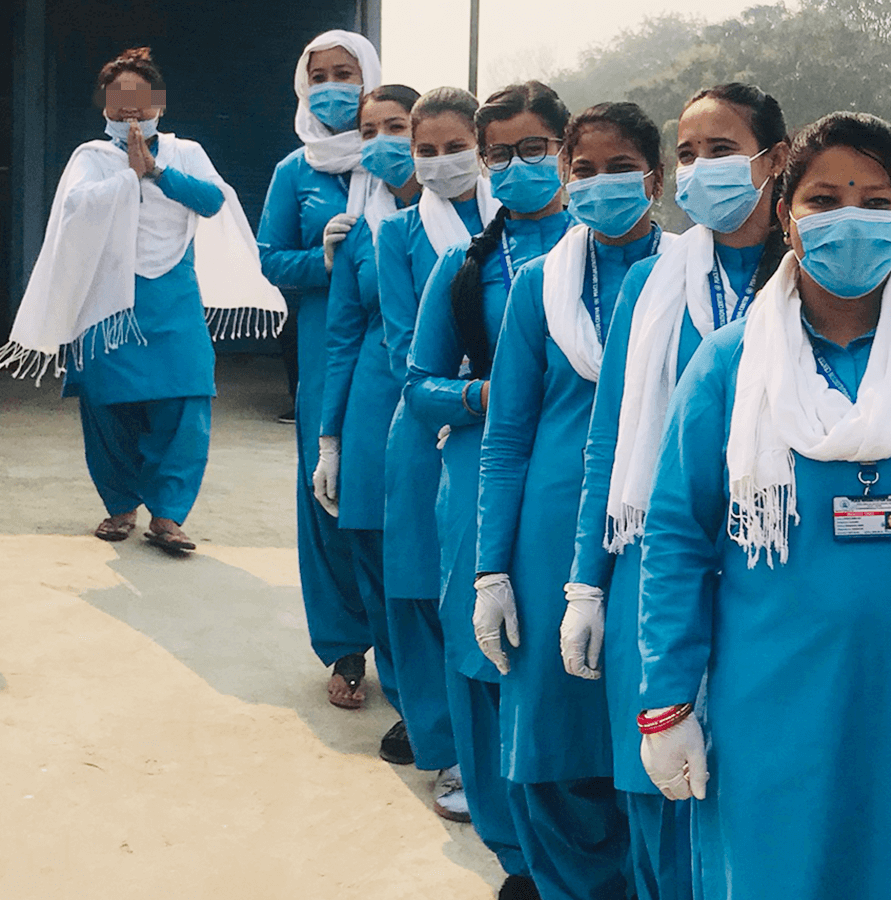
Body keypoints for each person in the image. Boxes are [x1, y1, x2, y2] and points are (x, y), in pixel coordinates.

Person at [634, 111, 891, 900]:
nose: (847, 219)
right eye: (824, 199)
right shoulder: (730, 367)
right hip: (771, 721)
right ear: (786, 217)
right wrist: (667, 701)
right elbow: (678, 537)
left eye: (875, 199)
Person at [562, 82, 788, 900]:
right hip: (654, 572)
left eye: (722, 150)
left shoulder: (814, 284)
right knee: (658, 794)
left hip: (775, 572)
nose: (701, 170)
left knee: (756, 792)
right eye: (687, 154)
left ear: (776, 159)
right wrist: (587, 584)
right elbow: (607, 443)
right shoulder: (648, 291)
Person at [472, 98, 672, 900]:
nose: (599, 184)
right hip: (548, 536)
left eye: (620, 167)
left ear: (655, 178)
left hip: (660, 533)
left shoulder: (687, 281)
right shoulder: (539, 290)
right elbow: (507, 436)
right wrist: (491, 570)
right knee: (552, 732)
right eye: (583, 170)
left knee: (648, 725)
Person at [0, 47, 283, 554]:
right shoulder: (91, 157)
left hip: (174, 298)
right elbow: (75, 212)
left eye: (141, 98)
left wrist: (157, 172)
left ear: (159, 104)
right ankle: (120, 507)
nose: (131, 109)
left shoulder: (186, 153)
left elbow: (213, 200)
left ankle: (167, 517)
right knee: (108, 409)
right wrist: (129, 174)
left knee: (187, 403)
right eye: (119, 98)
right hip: (107, 308)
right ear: (103, 104)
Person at [403, 80, 575, 900]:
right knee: (484, 656)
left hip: (579, 476)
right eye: (500, 152)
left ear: (567, 150)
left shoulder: (623, 254)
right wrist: (489, 395)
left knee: (569, 656)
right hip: (480, 477)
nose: (516, 165)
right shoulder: (464, 266)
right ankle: (515, 856)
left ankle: (577, 847)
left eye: (534, 148)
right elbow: (419, 384)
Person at [375, 85, 500, 822]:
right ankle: (449, 752)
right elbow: (403, 350)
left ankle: (494, 747)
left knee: (487, 587)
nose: (443, 161)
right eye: (427, 150)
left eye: (457, 147)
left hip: (508, 435)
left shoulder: (523, 225)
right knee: (424, 593)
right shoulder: (395, 236)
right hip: (428, 432)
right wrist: (473, 397)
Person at [258, 30, 381, 712]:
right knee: (326, 495)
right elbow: (269, 256)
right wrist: (323, 262)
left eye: (347, 73)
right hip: (321, 352)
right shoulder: (294, 170)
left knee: (391, 495)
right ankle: (344, 645)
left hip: (392, 352)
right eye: (321, 75)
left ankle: (402, 640)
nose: (334, 86)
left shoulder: (398, 156)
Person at [314, 83, 423, 766]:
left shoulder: (475, 222)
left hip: (444, 410)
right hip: (369, 410)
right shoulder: (360, 233)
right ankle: (414, 703)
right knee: (381, 567)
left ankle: (437, 703)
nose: (383, 140)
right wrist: (329, 437)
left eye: (398, 126)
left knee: (429, 567)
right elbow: (341, 338)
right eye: (370, 128)